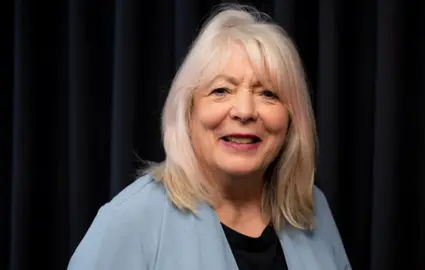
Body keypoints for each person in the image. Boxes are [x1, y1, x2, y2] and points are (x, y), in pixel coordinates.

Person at [67, 4, 351, 270]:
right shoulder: (129, 220)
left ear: (292, 118)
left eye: (268, 94)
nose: (245, 111)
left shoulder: (312, 208)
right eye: (221, 91)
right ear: (188, 111)